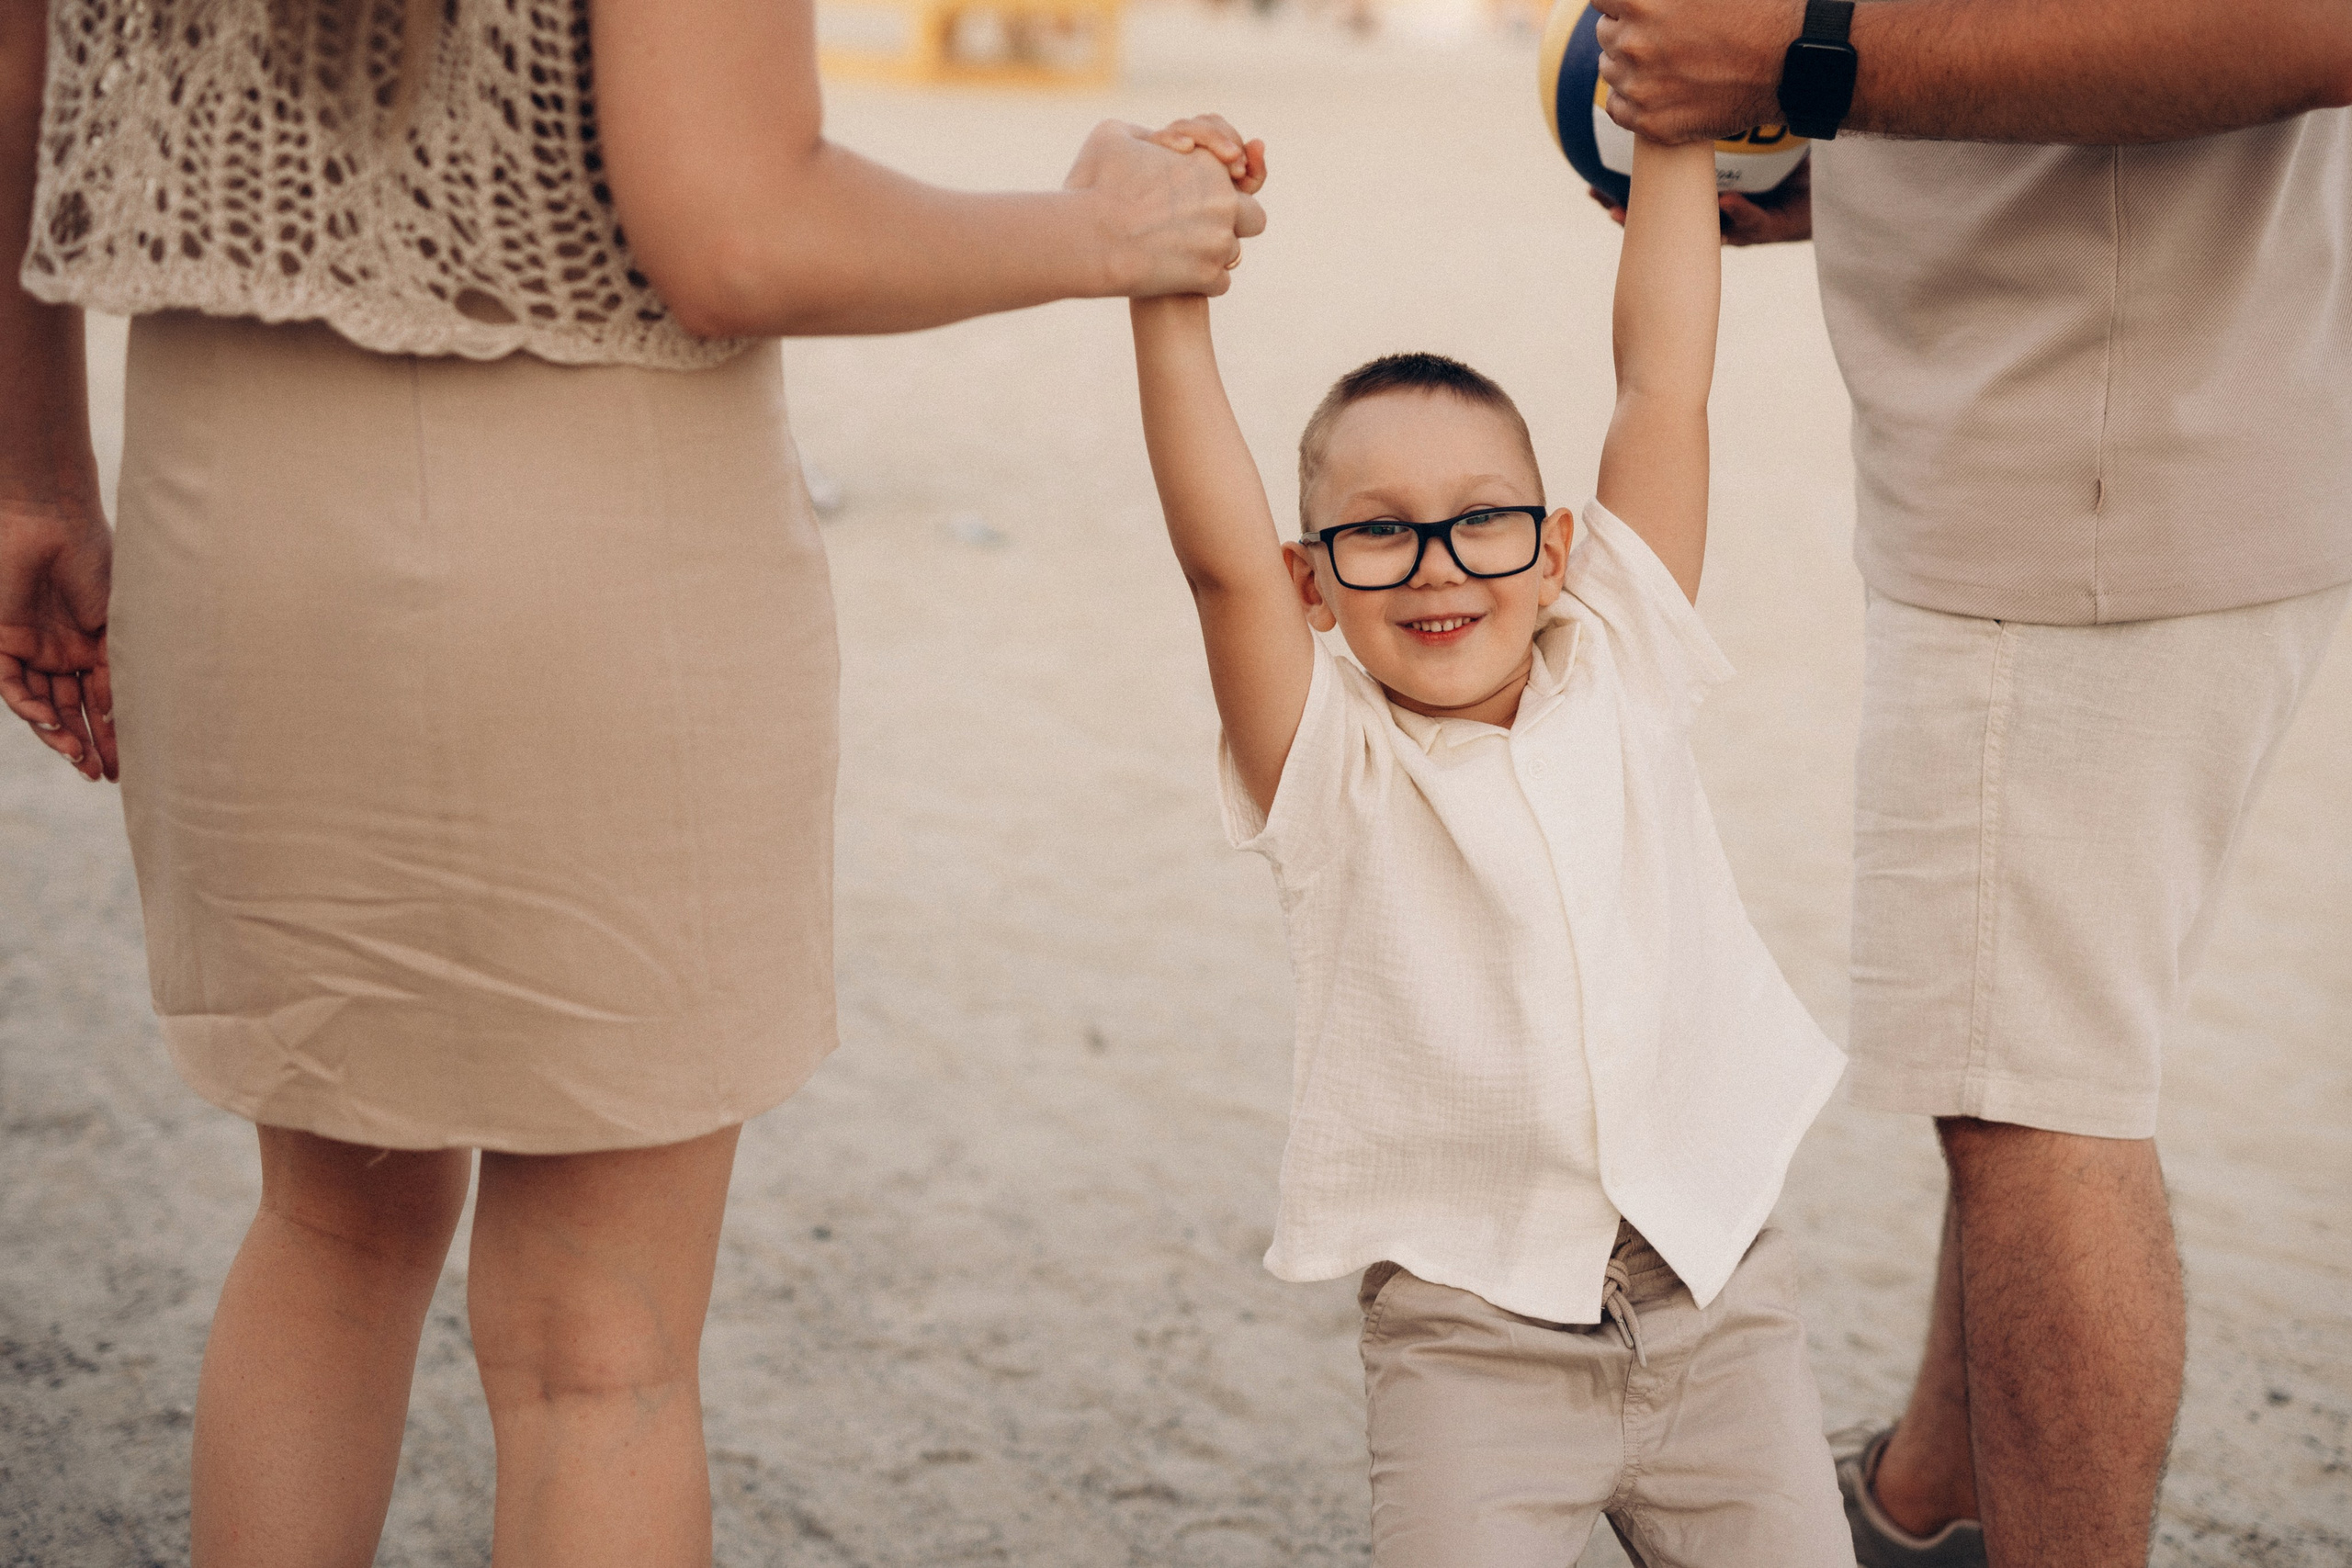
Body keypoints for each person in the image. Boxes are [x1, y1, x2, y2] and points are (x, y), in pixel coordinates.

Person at [0, 0, 1263, 1560]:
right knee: (598, 1352)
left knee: (328, 1235)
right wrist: (1099, 227)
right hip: (592, 525)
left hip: (232, 496)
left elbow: (19, 62)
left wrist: (33, 463)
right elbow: (732, 230)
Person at [1585, 1, 2352, 1563]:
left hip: (2088, 463)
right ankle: (1930, 1504)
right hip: (2111, 427)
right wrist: (1835, 157)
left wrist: (1807, 61)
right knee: (2013, 1053)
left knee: (2030, 1101)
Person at [1128, 116, 1852, 1566]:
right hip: (1473, 1344)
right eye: (1379, 534)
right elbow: (1214, 561)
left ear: (1559, 548)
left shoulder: (1622, 663)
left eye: (1483, 522)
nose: (1441, 564)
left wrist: (1673, 129)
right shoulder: (1334, 774)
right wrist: (1165, 286)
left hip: (1716, 1304)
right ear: (1314, 581)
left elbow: (1665, 386)